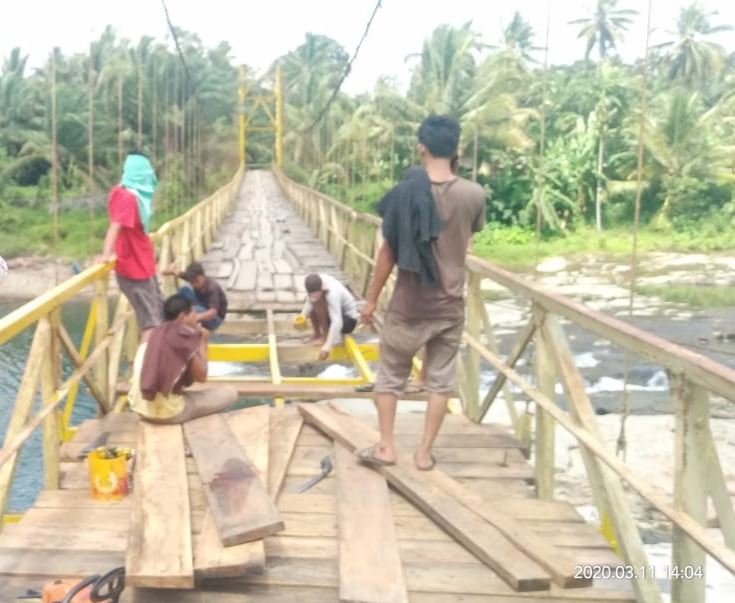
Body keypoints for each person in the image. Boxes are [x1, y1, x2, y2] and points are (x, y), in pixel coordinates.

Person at [357, 115, 486, 471]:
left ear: (421, 148)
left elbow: (388, 253)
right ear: (456, 149)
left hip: (408, 305)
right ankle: (425, 453)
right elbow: (468, 236)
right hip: (449, 305)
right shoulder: (474, 194)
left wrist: (370, 300)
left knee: (389, 377)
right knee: (440, 382)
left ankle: (386, 447)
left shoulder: (403, 194)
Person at [126, 293, 238, 424]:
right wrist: (202, 342)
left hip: (140, 408)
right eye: (193, 315)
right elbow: (202, 376)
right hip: (169, 413)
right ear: (182, 317)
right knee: (230, 393)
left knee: (185, 394)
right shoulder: (183, 337)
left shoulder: (150, 332)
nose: (196, 318)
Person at [96, 150, 163, 343]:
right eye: (148, 171)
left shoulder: (130, 194)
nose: (151, 175)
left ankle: (158, 363)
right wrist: (105, 255)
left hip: (144, 266)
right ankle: (145, 370)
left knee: (159, 315)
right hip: (134, 269)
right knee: (151, 324)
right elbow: (115, 226)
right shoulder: (127, 197)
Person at [297, 273, 360, 361]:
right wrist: (302, 317)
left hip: (348, 321)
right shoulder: (318, 281)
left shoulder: (332, 293)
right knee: (313, 301)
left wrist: (327, 346)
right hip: (335, 316)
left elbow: (337, 322)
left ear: (322, 288)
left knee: (318, 303)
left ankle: (325, 337)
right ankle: (317, 334)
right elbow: (310, 301)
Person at [161, 261, 228, 332]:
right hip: (201, 305)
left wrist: (195, 317)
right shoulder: (192, 278)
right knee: (184, 290)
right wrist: (171, 272)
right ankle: (175, 317)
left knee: (194, 309)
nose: (195, 284)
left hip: (215, 318)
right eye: (192, 282)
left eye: (197, 281)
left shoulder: (212, 287)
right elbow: (180, 274)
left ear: (203, 276)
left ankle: (185, 319)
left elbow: (213, 312)